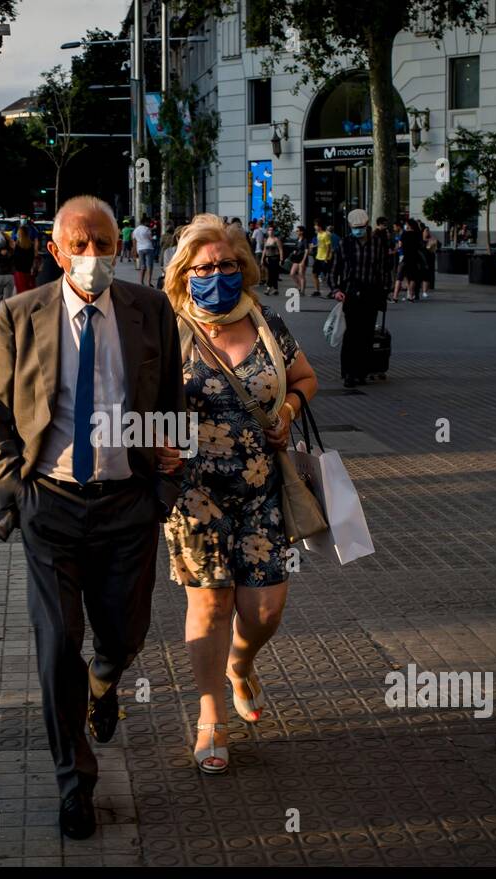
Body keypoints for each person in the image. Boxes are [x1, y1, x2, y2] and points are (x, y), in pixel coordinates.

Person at [0, 195, 184, 840]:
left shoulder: (150, 311)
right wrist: (15, 485)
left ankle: (106, 678)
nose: (95, 257)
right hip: (53, 505)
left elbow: (170, 399)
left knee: (123, 635)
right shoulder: (18, 316)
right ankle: (75, 781)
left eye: (105, 244)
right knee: (57, 646)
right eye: (82, 245)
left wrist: (166, 481)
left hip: (128, 504)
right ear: (57, 250)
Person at [161, 214, 319, 774]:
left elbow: (304, 378)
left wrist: (288, 411)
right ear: (185, 272)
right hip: (192, 492)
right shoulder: (166, 326)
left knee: (266, 608)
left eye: (227, 265)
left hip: (261, 487)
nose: (218, 275)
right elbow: (134, 397)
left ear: (242, 266)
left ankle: (240, 665)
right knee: (210, 603)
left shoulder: (266, 322)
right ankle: (210, 717)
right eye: (205, 267)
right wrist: (155, 445)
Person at [330, 208, 392, 388]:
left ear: (367, 225)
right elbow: (335, 269)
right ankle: (349, 373)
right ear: (350, 226)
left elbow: (383, 269)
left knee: (366, 334)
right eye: (355, 227)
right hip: (350, 293)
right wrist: (336, 290)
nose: (358, 230)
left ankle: (362, 372)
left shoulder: (377, 243)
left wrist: (385, 290)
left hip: (371, 293)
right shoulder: (345, 243)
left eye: (361, 227)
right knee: (351, 334)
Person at [12, 214, 40, 294]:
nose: (23, 220)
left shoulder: (31, 229)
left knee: (21, 289)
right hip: (28, 269)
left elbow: (36, 240)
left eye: (24, 218)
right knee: (29, 287)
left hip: (20, 271)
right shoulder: (30, 246)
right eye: (22, 218)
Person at [397, 220, 423, 302]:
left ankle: (397, 296)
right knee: (413, 277)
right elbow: (420, 245)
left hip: (405, 257)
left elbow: (400, 245)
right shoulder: (417, 234)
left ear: (409, 225)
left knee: (403, 276)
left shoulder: (405, 233)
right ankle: (411, 295)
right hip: (415, 257)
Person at [310, 219, 333, 297]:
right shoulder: (318, 234)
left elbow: (329, 247)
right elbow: (320, 244)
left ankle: (333, 291)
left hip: (325, 258)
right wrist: (314, 246)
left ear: (319, 226)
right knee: (314, 273)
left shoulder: (325, 235)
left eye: (315, 225)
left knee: (328, 275)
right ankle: (317, 291)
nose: (314, 227)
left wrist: (326, 258)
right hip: (318, 257)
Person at [260, 223, 283, 295]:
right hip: (268, 259)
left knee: (272, 274)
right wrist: (262, 258)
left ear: (274, 231)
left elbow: (280, 249)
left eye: (272, 230)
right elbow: (264, 250)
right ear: (267, 231)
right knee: (272, 274)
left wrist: (281, 259)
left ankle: (268, 289)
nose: (270, 231)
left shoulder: (276, 239)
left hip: (275, 258)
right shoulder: (267, 240)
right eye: (269, 230)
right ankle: (276, 289)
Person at [133, 218, 156, 287]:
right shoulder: (147, 229)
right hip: (148, 247)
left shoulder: (135, 230)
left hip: (140, 249)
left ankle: (141, 282)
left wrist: (134, 250)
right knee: (150, 266)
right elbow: (151, 238)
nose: (149, 224)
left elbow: (134, 240)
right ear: (145, 222)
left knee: (142, 266)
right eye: (148, 222)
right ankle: (148, 282)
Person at [287, 225, 308, 294]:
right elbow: (296, 248)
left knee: (301, 274)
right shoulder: (297, 239)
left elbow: (306, 251)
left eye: (298, 231)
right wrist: (294, 251)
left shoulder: (305, 240)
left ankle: (302, 290)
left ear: (301, 232)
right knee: (292, 273)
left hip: (302, 258)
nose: (296, 232)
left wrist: (303, 261)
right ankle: (299, 286)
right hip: (296, 258)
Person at [421, 222, 438, 298]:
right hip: (421, 259)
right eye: (426, 231)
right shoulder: (420, 241)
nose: (427, 232)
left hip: (429, 260)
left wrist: (432, 244)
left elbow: (433, 249)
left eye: (428, 231)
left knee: (426, 276)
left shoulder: (431, 240)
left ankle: (425, 291)